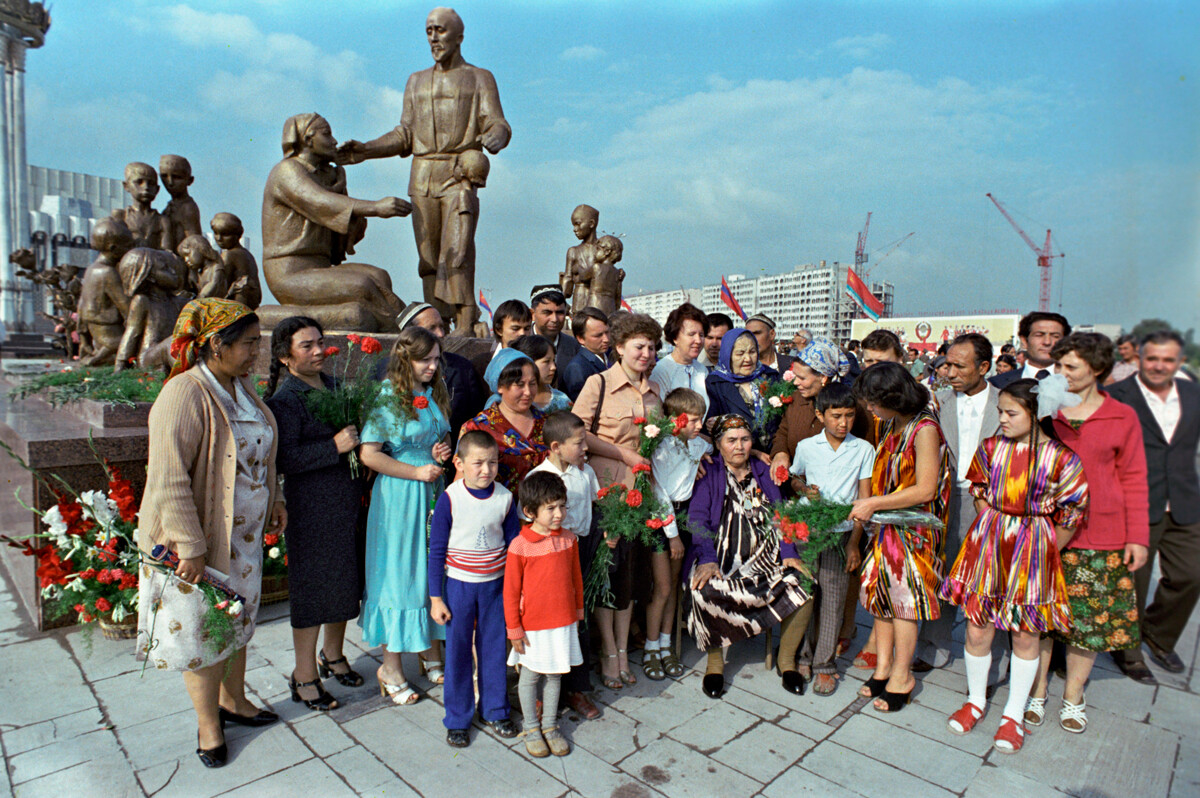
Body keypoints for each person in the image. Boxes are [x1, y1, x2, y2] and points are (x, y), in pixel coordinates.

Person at [136, 299, 284, 768]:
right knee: (203, 632)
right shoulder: (184, 392)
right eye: (247, 344)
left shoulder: (241, 389)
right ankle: (208, 723)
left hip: (242, 540)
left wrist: (275, 499)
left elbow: (264, 453)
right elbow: (168, 478)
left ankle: (234, 701)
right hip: (194, 545)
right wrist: (191, 547)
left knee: (236, 621)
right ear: (215, 345)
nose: (255, 353)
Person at [337, 7, 510, 332]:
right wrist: (366, 149)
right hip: (422, 174)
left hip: (459, 171)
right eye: (429, 30)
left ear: (459, 37)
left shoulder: (479, 77)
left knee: (457, 249)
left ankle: (464, 319)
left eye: (440, 30)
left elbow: (496, 120)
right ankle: (437, 322)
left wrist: (497, 134)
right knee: (429, 257)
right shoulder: (416, 81)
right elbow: (404, 134)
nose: (433, 36)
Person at [940, 380, 1089, 753]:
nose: (1002, 419)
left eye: (1011, 413)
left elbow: (1071, 514)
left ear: (1035, 414)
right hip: (989, 542)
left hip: (1035, 547)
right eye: (1001, 411)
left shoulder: (1062, 458)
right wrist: (993, 525)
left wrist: (1045, 548)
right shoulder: (991, 448)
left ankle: (1013, 715)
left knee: (1026, 635)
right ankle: (975, 701)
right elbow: (978, 491)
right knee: (977, 628)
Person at [1027, 332, 1149, 733]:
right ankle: (1038, 688)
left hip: (1101, 531)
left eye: (1070, 367)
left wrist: (1138, 536)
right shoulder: (1047, 411)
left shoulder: (1122, 416)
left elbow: (1134, 477)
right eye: (1058, 366)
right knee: (1042, 618)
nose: (1060, 374)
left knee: (1089, 623)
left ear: (1097, 369)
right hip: (1048, 528)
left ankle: (1074, 694)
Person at [264, 317, 369, 713]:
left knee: (343, 582)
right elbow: (284, 459)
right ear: (285, 356)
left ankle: (334, 654)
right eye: (306, 346)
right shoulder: (284, 401)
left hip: (346, 502)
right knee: (312, 590)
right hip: (310, 508)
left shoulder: (337, 386)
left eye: (320, 343)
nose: (318, 351)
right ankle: (304, 674)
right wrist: (335, 446)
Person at [357, 326, 453, 706]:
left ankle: (427, 647)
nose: (432, 366)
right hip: (400, 495)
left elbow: (434, 440)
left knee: (430, 568)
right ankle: (391, 666)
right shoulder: (388, 396)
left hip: (430, 490)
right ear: (405, 359)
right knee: (400, 573)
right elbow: (370, 453)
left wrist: (440, 452)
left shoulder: (430, 395)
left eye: (436, 359)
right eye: (424, 359)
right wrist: (415, 471)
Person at [686, 415, 814, 698]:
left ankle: (787, 661)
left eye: (745, 440)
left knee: (803, 583)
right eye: (731, 440)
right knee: (704, 589)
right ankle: (715, 664)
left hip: (765, 557)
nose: (739, 446)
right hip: (720, 556)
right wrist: (707, 559)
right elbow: (696, 519)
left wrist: (789, 552)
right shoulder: (710, 473)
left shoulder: (762, 469)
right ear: (719, 445)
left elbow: (782, 514)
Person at [849, 362, 951, 713]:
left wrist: (873, 502)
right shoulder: (895, 423)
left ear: (893, 397)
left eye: (874, 403)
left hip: (914, 529)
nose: (870, 410)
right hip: (888, 526)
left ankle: (903, 675)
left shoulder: (924, 429)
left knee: (904, 603)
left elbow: (925, 489)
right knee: (881, 599)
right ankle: (883, 668)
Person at [572, 313, 664, 688]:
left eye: (652, 347)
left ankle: (624, 649)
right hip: (606, 496)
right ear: (620, 347)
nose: (646, 353)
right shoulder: (599, 384)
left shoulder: (654, 391)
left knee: (628, 578)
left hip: (640, 497)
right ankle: (608, 652)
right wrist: (623, 455)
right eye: (639, 346)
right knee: (605, 575)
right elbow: (578, 435)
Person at [261, 113, 410, 331]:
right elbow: (321, 202)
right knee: (362, 285)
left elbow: (342, 224)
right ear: (307, 139)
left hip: (320, 268)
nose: (334, 141)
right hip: (289, 273)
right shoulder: (287, 171)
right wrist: (376, 207)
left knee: (379, 276)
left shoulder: (324, 175)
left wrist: (339, 183)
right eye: (327, 134)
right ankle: (407, 334)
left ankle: (407, 326)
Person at [1109, 331, 1200, 679]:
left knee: (1190, 575)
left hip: (1185, 500)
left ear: (1179, 361)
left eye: (1168, 360)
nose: (1159, 366)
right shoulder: (1118, 396)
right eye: (1153, 359)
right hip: (1137, 503)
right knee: (1133, 579)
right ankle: (1128, 650)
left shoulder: (1192, 393)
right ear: (1139, 359)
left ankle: (1159, 635)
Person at [428, 431, 522, 747]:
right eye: (478, 463)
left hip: (495, 587)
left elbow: (514, 546)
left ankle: (495, 709)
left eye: (492, 462)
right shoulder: (450, 498)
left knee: (494, 649)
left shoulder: (505, 499)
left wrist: (517, 591)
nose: (486, 470)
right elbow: (437, 550)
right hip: (459, 587)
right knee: (456, 652)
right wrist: (436, 597)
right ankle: (457, 718)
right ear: (459, 463)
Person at [915, 333, 1000, 671]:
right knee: (943, 571)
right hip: (946, 498)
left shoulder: (1007, 404)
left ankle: (992, 664)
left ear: (984, 367)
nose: (949, 372)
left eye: (958, 366)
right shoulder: (938, 402)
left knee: (992, 580)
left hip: (991, 504)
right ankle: (932, 647)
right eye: (946, 364)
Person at [788, 383, 875, 695]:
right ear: (819, 414)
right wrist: (803, 489)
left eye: (849, 416)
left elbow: (864, 500)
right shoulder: (807, 446)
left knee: (834, 600)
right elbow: (795, 477)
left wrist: (854, 542)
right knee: (806, 596)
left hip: (841, 535)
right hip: (808, 532)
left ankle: (825, 663)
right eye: (836, 415)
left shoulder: (863, 449)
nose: (843, 423)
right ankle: (802, 656)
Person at [529, 412, 603, 720]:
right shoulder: (540, 478)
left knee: (579, 618)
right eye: (579, 442)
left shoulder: (584, 472)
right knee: (551, 622)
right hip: (552, 555)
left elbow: (595, 507)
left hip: (581, 549)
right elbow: (532, 526)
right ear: (556, 446)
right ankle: (544, 691)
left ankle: (577, 688)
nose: (585, 447)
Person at [505, 471, 584, 759]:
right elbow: (511, 592)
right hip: (533, 625)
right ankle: (531, 727)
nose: (559, 514)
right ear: (529, 512)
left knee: (555, 674)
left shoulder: (569, 539)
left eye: (562, 506)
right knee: (529, 676)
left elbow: (575, 577)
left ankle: (550, 725)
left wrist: (577, 611)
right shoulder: (520, 546)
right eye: (550, 508)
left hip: (562, 621)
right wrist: (514, 628)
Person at [643, 388, 711, 681]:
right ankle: (650, 647)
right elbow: (659, 493)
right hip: (663, 521)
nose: (699, 426)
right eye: (694, 420)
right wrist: (672, 535)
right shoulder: (662, 448)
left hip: (684, 517)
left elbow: (709, 447)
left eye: (701, 420)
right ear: (676, 419)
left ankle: (667, 644)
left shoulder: (696, 445)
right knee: (663, 588)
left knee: (674, 585)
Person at [395, 301, 487, 446]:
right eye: (432, 328)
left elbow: (476, 420)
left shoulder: (462, 368)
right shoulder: (386, 373)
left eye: (442, 327)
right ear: (410, 334)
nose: (441, 334)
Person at [769, 337, 852, 492]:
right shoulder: (796, 400)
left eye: (802, 378)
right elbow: (782, 432)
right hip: (797, 491)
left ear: (823, 377)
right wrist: (781, 453)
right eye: (795, 376)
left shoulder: (848, 406)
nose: (795, 383)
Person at [464, 349, 549, 493]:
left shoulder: (547, 424)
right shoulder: (478, 427)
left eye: (532, 383)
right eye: (520, 385)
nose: (528, 392)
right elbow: (463, 482)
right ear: (500, 386)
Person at [705, 328, 779, 454]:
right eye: (740, 354)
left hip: (774, 454)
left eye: (752, 352)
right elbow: (711, 430)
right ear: (728, 355)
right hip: (738, 457)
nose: (748, 359)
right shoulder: (715, 383)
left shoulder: (771, 376)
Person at [650, 302, 709, 410]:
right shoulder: (661, 370)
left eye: (701, 335)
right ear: (675, 338)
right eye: (691, 334)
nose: (698, 340)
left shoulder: (702, 370)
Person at [991, 311, 1071, 388]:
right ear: (1024, 341)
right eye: (1039, 335)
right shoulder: (997, 384)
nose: (1047, 342)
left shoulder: (1076, 383)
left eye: (1055, 336)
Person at [114, 162, 171, 251]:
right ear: (126, 186)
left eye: (151, 183)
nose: (146, 187)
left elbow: (167, 252)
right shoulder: (121, 216)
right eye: (139, 182)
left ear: (157, 189)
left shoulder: (162, 221)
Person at [210, 212, 262, 309]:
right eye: (216, 233)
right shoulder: (247, 254)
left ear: (238, 235)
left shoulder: (229, 255)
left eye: (225, 234)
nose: (219, 239)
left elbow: (220, 287)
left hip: (236, 308)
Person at [508, 334, 572, 413]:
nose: (553, 367)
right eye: (546, 361)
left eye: (553, 361)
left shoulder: (562, 402)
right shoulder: (508, 400)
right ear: (528, 363)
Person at [530, 286, 580, 382]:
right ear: (532, 314)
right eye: (547, 313)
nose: (554, 319)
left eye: (560, 313)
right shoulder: (519, 346)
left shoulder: (574, 347)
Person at [561, 307, 611, 401]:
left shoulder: (612, 355)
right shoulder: (577, 368)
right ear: (581, 339)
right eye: (598, 335)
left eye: (607, 332)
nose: (606, 339)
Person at [562, 205, 600, 314]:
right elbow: (568, 278)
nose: (574, 229)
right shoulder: (573, 251)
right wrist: (560, 299)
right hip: (580, 299)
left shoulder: (603, 249)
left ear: (591, 224)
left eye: (578, 224)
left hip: (598, 301)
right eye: (573, 225)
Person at [159, 154, 203, 247]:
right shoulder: (171, 206)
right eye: (164, 176)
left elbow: (195, 244)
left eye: (176, 177)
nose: (170, 182)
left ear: (190, 180)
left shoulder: (187, 208)